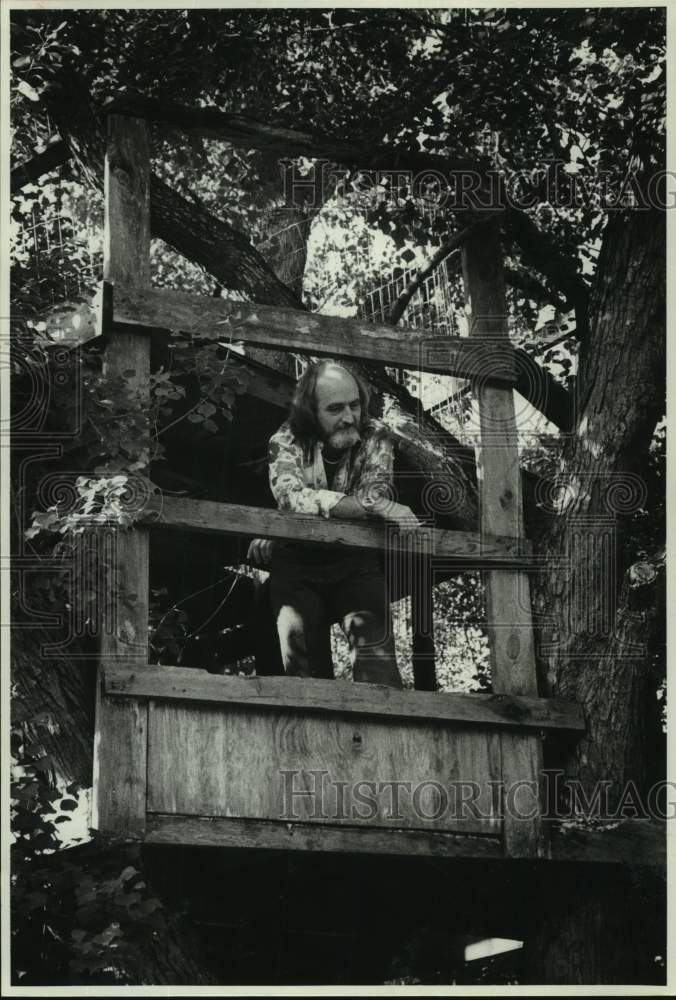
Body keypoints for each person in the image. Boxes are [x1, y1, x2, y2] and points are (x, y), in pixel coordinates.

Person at [247, 360, 421, 687]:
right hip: (296, 561)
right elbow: (290, 497)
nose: (348, 417)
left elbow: (375, 490)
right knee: (305, 676)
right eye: (335, 408)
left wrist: (368, 503)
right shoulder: (285, 438)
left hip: (355, 559)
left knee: (379, 673)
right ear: (311, 413)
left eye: (355, 405)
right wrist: (374, 505)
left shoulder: (375, 435)